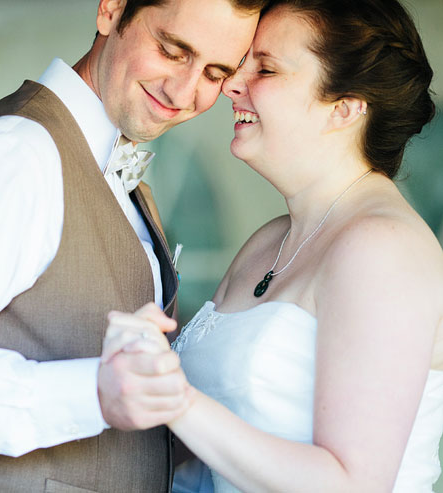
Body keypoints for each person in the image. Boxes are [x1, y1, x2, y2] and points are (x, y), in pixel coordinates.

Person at [0, 0, 266, 491]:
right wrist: (90, 394)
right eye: (172, 50)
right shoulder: (13, 155)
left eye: (214, 73)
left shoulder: (126, 180)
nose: (184, 92)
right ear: (111, 11)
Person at [100, 0, 443, 490]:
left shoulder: (383, 248)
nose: (232, 85)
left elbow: (355, 484)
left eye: (266, 68)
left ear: (343, 108)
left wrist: (179, 402)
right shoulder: (270, 240)